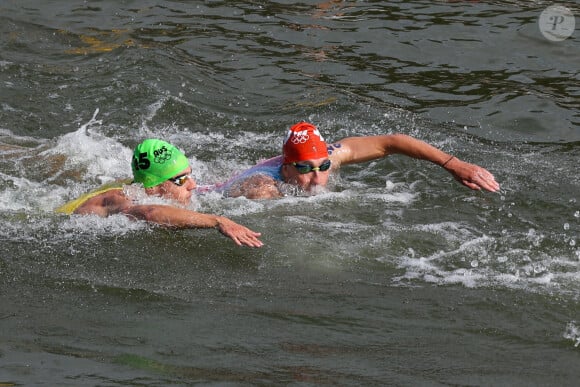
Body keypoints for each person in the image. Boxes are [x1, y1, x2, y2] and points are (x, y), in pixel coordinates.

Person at [207, 122, 500, 199]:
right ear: (286, 167)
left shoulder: (330, 157)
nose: (318, 178)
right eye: (306, 170)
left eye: (322, 167)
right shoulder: (263, 189)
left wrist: (454, 164)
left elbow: (392, 142)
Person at [56, 139, 263, 248]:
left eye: (190, 175)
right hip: (54, 222)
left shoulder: (140, 185)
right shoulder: (123, 199)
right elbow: (149, 213)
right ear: (152, 188)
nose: (193, 185)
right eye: (181, 180)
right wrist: (218, 221)